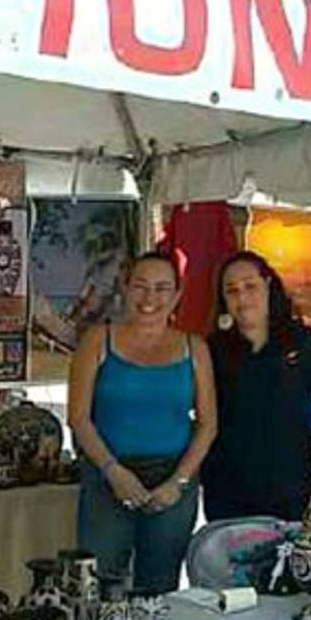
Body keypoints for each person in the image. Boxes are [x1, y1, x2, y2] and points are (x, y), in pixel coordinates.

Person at [67, 252, 218, 593]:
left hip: (172, 478)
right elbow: (78, 417)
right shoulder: (97, 339)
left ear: (177, 294)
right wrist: (113, 471)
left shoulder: (195, 348)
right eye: (141, 286)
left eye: (162, 288)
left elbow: (208, 424)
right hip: (107, 474)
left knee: (160, 586)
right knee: (99, 582)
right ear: (124, 288)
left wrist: (178, 481)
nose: (150, 298)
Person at [203, 251, 311, 522]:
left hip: (292, 488)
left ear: (268, 284)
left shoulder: (301, 340)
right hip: (227, 491)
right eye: (232, 291)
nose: (242, 298)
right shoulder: (212, 349)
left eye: (250, 286)